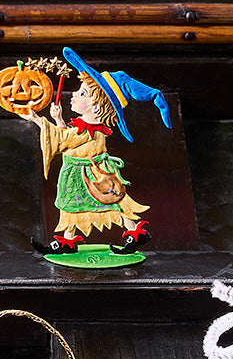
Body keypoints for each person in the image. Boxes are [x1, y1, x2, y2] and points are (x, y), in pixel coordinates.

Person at [23, 47, 171, 256]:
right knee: (71, 207)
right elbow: (68, 140)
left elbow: (66, 140)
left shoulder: (91, 130)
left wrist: (38, 120)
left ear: (97, 105)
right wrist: (58, 119)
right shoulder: (86, 128)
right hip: (78, 174)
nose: (74, 94)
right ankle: (67, 242)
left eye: (82, 93)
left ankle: (135, 235)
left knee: (115, 203)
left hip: (94, 175)